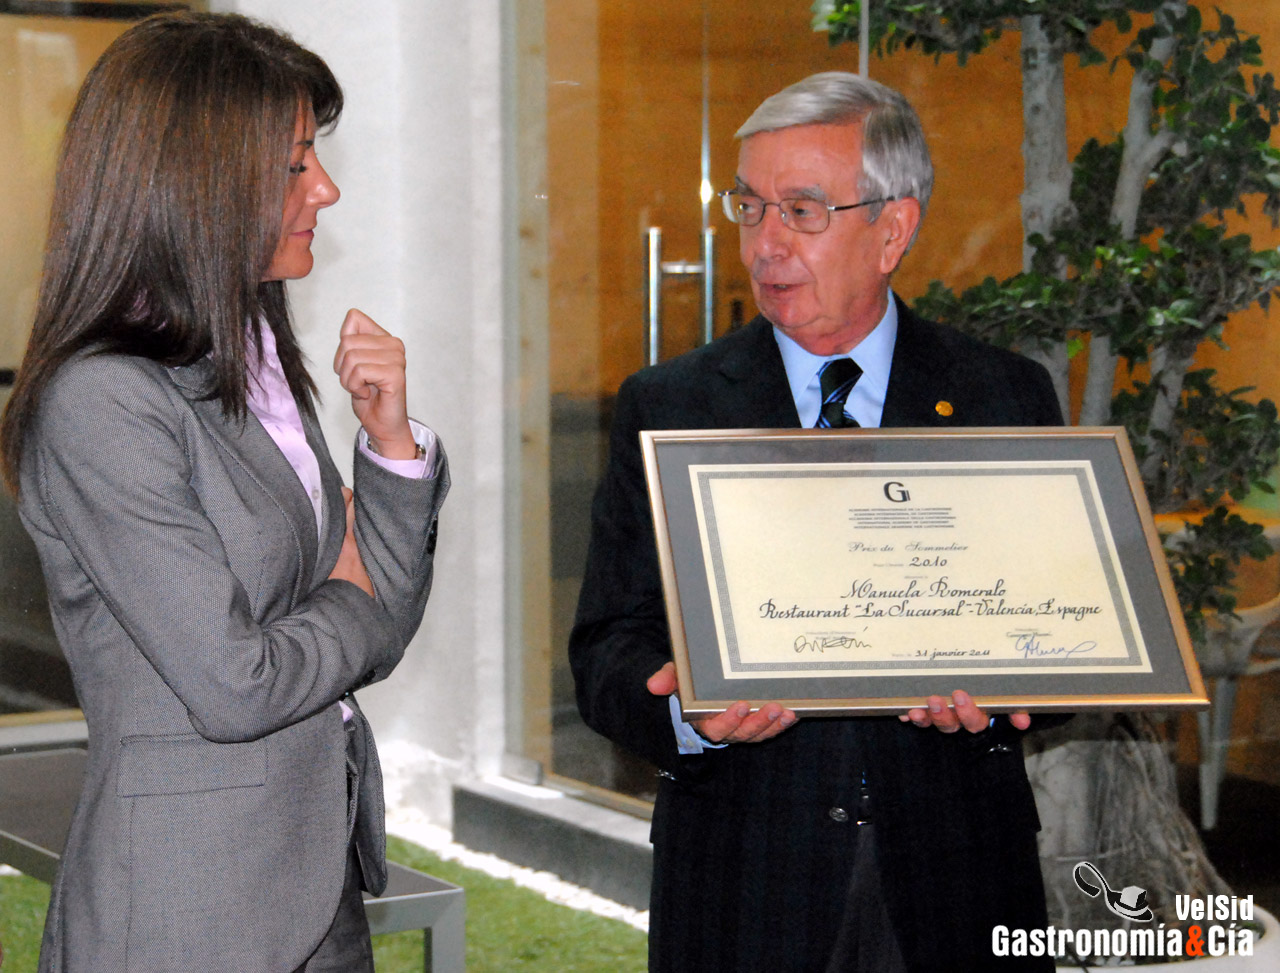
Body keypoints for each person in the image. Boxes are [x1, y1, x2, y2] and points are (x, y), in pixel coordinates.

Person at [570, 72, 1064, 972]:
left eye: (801, 210)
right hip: (745, 881)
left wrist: (1002, 691)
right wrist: (689, 708)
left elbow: (1068, 639)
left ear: (893, 229)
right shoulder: (670, 405)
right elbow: (606, 646)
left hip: (961, 878)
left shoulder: (1003, 396)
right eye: (750, 207)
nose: (765, 244)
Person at [0, 13, 447, 972]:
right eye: (295, 164)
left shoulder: (250, 352)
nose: (324, 189)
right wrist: (355, 596)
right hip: (190, 911)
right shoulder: (102, 400)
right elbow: (235, 686)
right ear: (192, 176)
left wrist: (392, 447)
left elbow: (380, 611)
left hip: (316, 882)